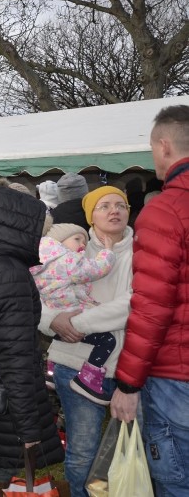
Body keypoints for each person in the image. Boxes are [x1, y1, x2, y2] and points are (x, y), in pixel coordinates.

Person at [0, 185, 64, 496]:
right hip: (8, 400)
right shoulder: (9, 275)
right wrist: (29, 429)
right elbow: (15, 358)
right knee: (1, 470)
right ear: (22, 224)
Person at [111, 104, 189, 497]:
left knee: (177, 481)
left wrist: (127, 383)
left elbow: (152, 307)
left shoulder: (165, 209)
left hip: (177, 376)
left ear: (163, 145)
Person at [38, 185, 133, 497]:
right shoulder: (72, 250)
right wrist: (52, 320)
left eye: (120, 205)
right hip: (74, 364)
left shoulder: (143, 251)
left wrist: (76, 323)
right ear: (91, 216)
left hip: (132, 367)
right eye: (104, 205)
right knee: (82, 451)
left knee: (135, 451)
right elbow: (38, 296)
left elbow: (134, 304)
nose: (113, 211)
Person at [31, 223, 115, 404]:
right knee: (108, 340)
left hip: (55, 318)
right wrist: (108, 251)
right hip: (73, 315)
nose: (82, 244)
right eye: (77, 239)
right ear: (59, 242)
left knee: (58, 340)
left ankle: (50, 372)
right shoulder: (68, 260)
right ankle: (89, 378)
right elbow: (97, 269)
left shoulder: (40, 261)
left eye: (84, 240)